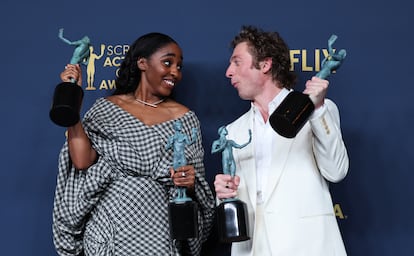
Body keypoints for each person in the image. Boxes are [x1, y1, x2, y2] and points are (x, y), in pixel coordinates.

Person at [52, 32, 215, 256]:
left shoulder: (185, 118)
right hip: (110, 230)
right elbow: (82, 162)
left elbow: (195, 185)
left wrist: (188, 181)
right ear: (142, 63)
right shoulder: (106, 109)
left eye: (179, 66)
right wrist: (73, 98)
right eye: (167, 63)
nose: (175, 72)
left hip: (159, 233)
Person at [213, 25, 349, 255]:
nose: (228, 71)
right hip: (253, 248)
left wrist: (316, 110)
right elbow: (237, 202)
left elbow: (336, 171)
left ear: (265, 65)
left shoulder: (318, 112)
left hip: (308, 247)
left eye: (237, 62)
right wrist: (224, 194)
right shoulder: (232, 131)